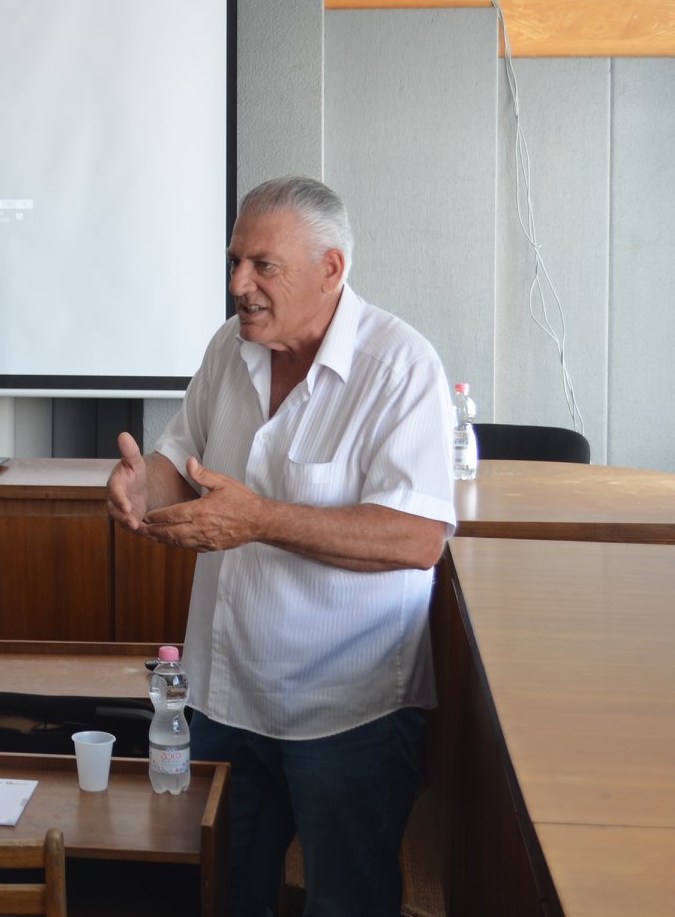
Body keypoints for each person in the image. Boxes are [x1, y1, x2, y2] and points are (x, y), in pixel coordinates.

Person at [106, 176, 454, 917]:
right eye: (235, 262)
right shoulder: (229, 347)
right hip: (225, 694)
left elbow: (417, 537)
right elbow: (179, 463)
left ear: (331, 269)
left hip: (347, 709)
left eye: (263, 265)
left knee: (345, 903)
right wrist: (142, 488)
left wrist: (260, 520)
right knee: (221, 895)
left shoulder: (400, 368)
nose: (240, 284)